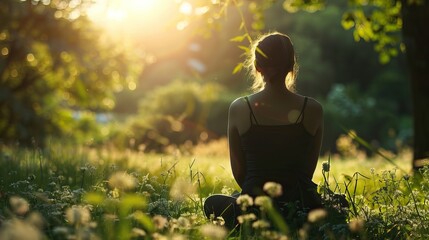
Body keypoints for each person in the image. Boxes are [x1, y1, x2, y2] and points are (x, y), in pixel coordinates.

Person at [203, 32, 324, 229]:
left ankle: (249, 222)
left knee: (213, 203)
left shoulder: (240, 108)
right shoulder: (313, 109)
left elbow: (240, 173)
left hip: (253, 206)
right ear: (291, 67)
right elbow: (306, 174)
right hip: (299, 206)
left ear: (257, 67)